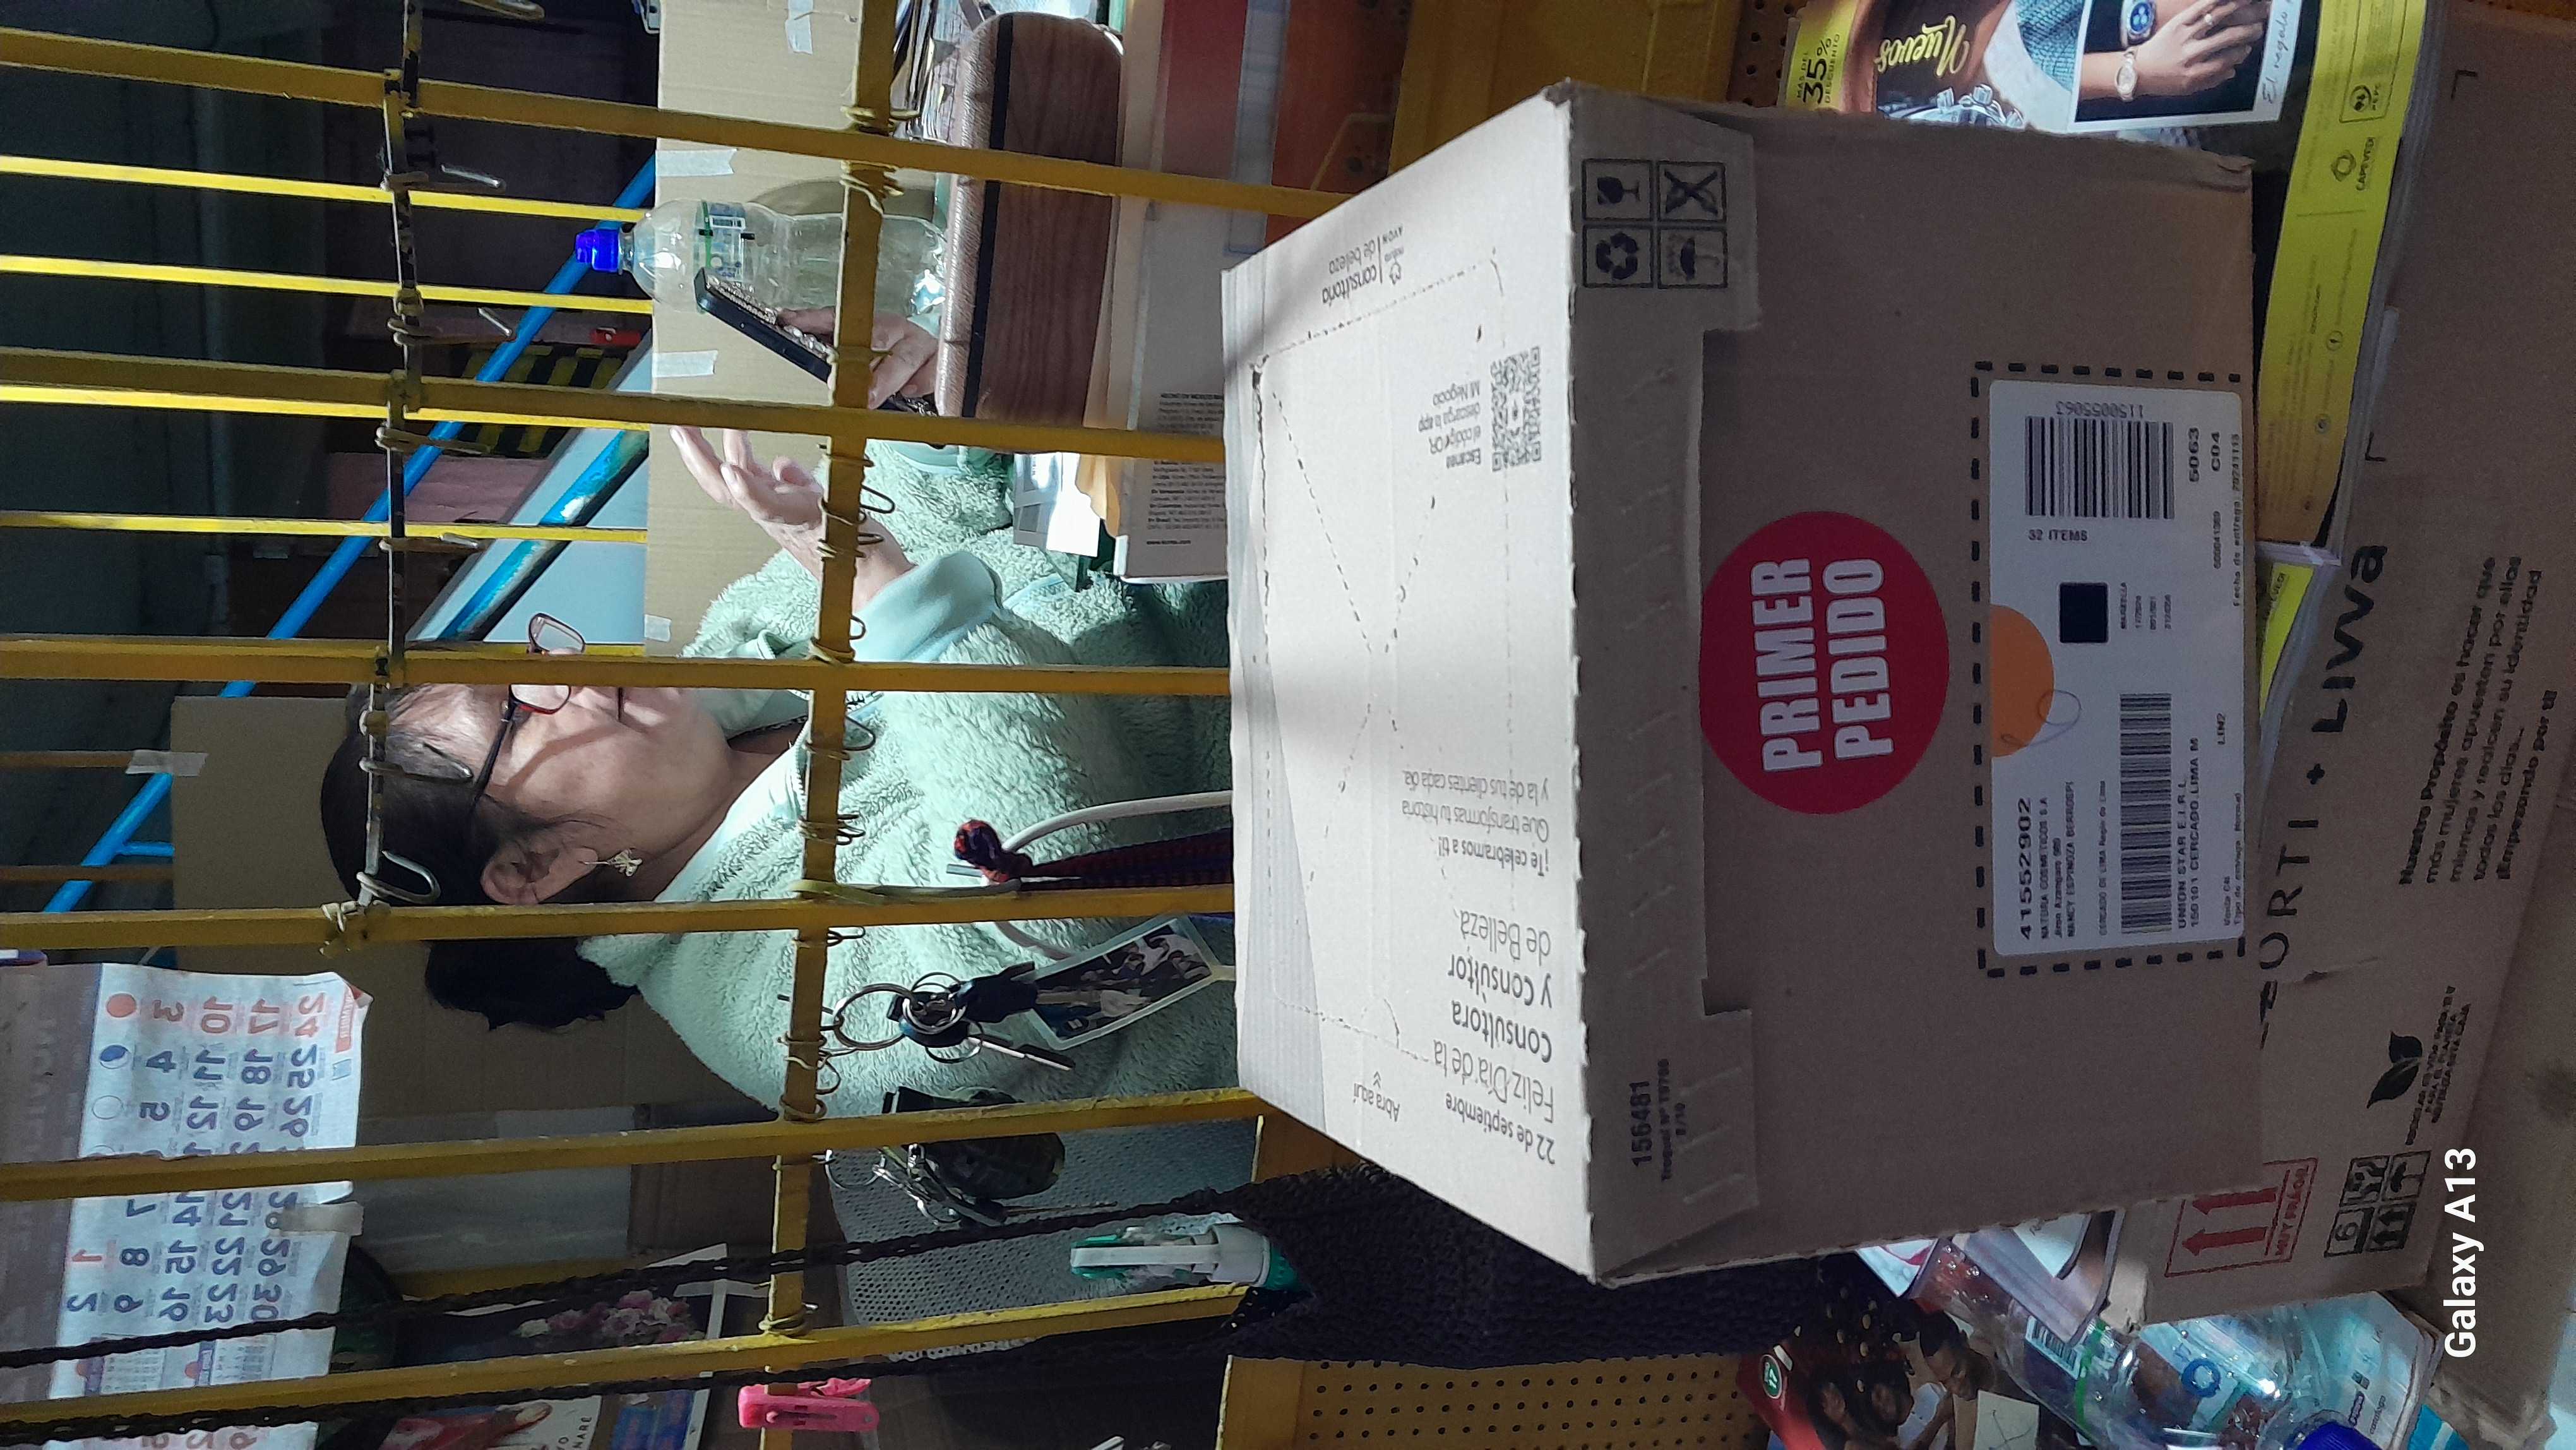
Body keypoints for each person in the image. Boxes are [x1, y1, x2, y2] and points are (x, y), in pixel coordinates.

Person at [316, 342, 1236, 1119]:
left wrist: (924, 414)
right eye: (521, 712)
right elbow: (1059, 880)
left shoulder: (727, 671)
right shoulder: (785, 1022)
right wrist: (878, 585)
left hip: (1214, 551)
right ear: (534, 869)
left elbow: (914, 515)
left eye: (531, 656)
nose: (574, 667)